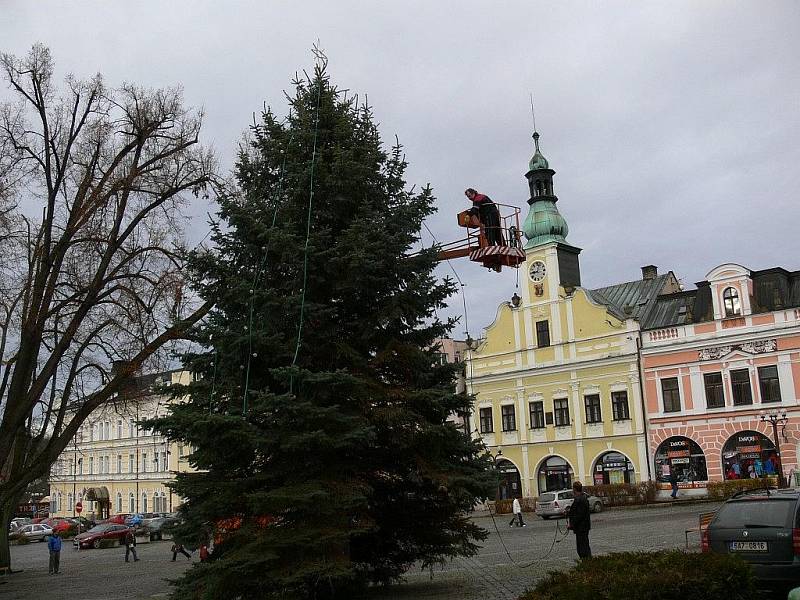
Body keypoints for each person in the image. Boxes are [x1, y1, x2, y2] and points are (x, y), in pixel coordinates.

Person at [567, 481, 591, 560]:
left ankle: (587, 563)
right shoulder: (582, 498)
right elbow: (576, 512)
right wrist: (568, 512)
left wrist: (571, 524)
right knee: (583, 546)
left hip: (581, 527)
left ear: (574, 489)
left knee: (582, 548)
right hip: (583, 527)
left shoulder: (580, 499)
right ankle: (587, 562)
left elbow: (579, 515)